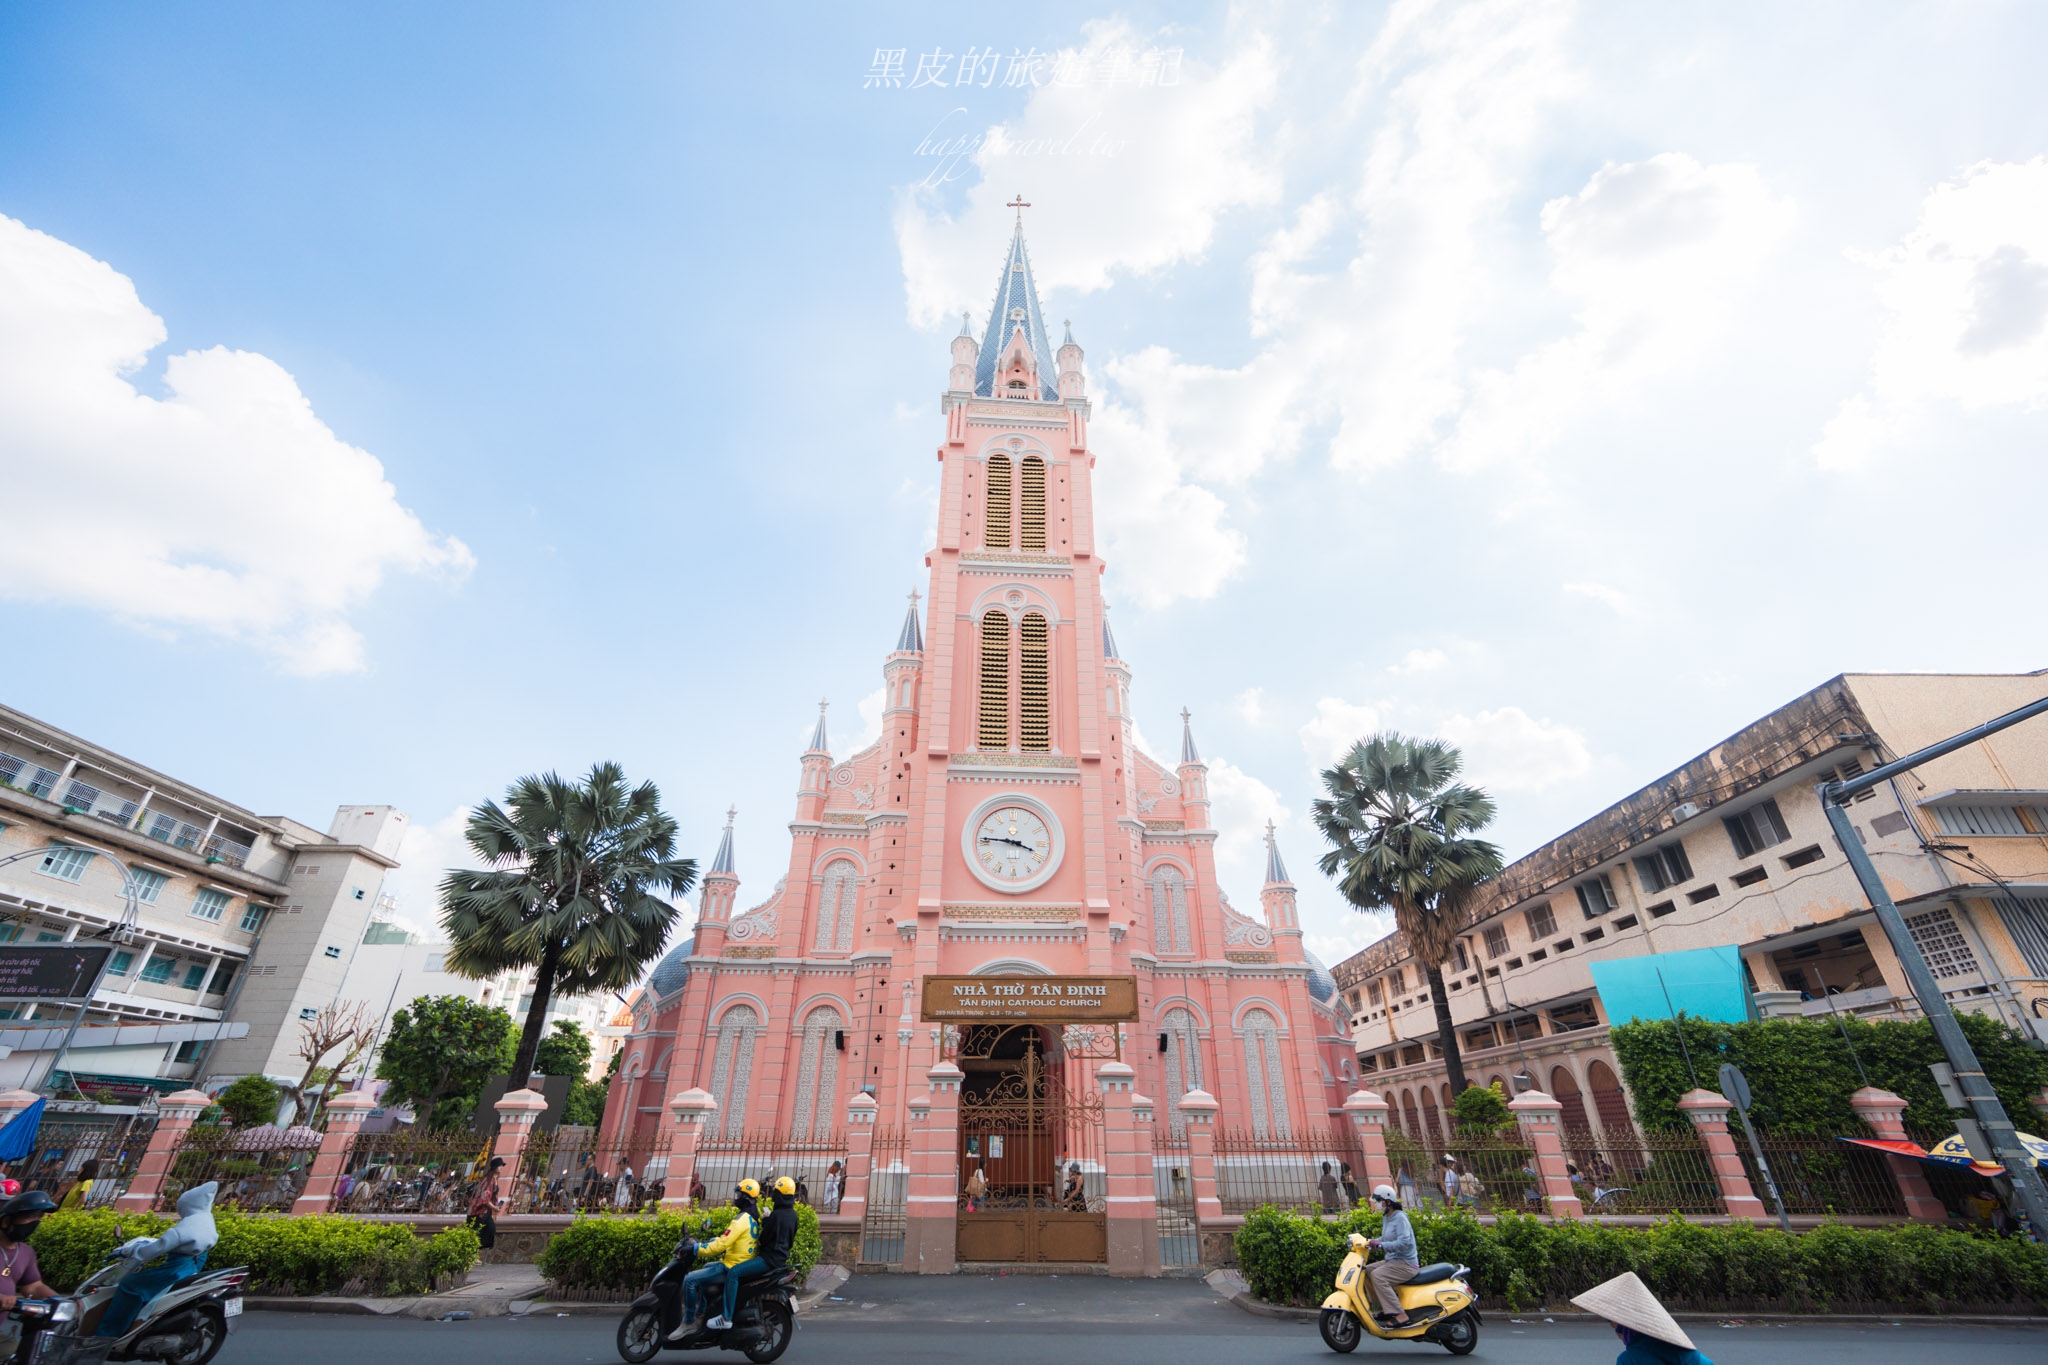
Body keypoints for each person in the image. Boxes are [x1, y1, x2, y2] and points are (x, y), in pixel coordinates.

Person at [95, 1181, 218, 1338]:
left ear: (186, 1205)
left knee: (130, 1286)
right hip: (193, 1267)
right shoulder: (206, 1221)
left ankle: (107, 1336)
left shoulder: (183, 1228)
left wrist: (128, 1250)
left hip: (175, 1270)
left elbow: (151, 1251)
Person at [669, 1180, 762, 1341]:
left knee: (690, 1280)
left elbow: (722, 1245)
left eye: (739, 1194)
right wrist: (712, 1240)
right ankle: (701, 1312)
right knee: (706, 1268)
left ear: (746, 1197)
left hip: (731, 1265)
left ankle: (689, 1322)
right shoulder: (752, 1217)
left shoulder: (741, 1220)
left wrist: (696, 1249)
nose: (736, 1197)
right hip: (737, 1260)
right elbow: (730, 1240)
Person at [1570, 1270, 1715, 1365]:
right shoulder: (1663, 1343)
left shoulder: (1631, 1358)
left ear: (1626, 1329)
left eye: (1616, 1329)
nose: (1617, 1335)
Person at [1364, 1183, 1419, 1326]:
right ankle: (1384, 1308)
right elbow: (1387, 1238)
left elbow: (1403, 1243)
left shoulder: (1400, 1218)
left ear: (1388, 1202)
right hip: (1392, 1261)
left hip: (1406, 1263)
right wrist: (1372, 1242)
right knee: (1366, 1270)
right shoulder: (1387, 1217)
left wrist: (1381, 1245)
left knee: (1378, 1275)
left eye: (1379, 1201)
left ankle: (1401, 1315)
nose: (1377, 1204)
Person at [0, 1191, 59, 1311]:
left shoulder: (26, 1252)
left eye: (39, 1217)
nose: (35, 1222)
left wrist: (59, 1301)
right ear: (6, 1221)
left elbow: (33, 1287)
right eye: (30, 1217)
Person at [468, 1157, 505, 1251]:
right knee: (477, 1233)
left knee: (490, 1230)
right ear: (494, 1167)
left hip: (486, 1211)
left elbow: (493, 1196)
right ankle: (473, 1254)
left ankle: (478, 1253)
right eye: (499, 1165)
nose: (501, 1167)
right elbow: (484, 1197)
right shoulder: (488, 1180)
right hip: (478, 1211)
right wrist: (494, 1207)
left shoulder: (495, 1180)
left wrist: (495, 1207)